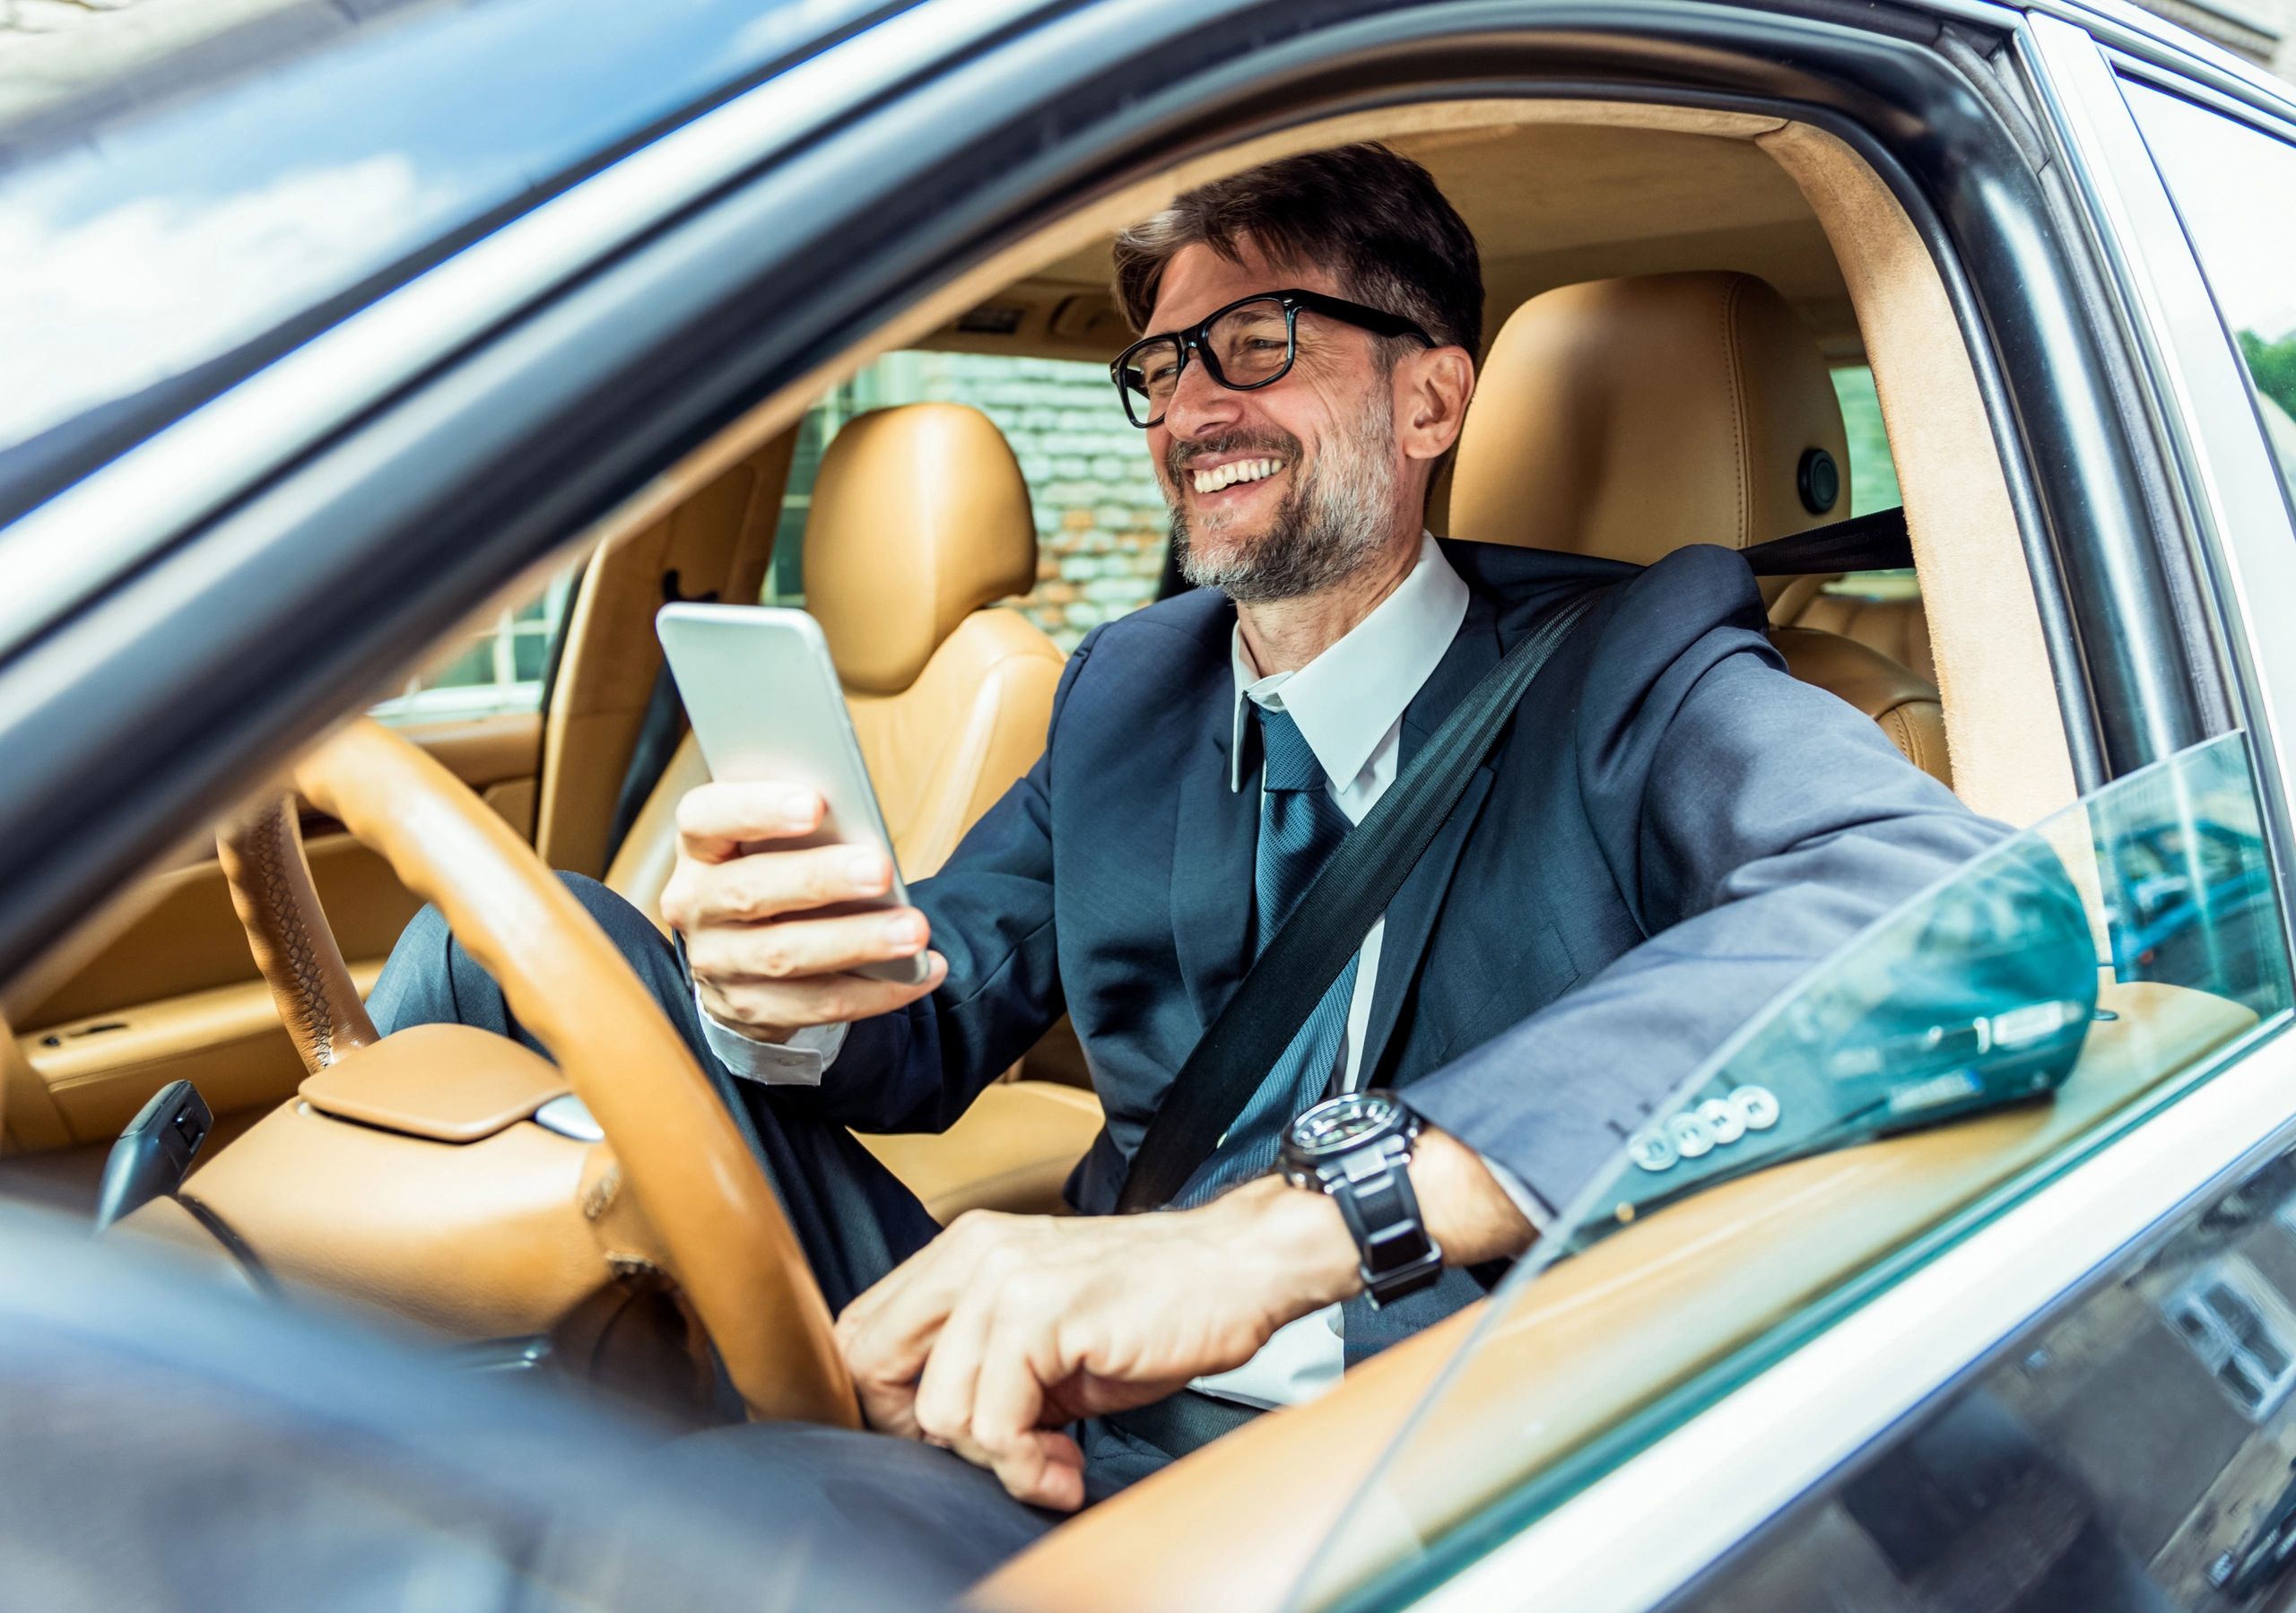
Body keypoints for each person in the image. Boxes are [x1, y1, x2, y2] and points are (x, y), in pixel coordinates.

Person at [369, 143, 2015, 1566]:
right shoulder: (1125, 691)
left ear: (1432, 392)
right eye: (1159, 369)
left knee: (717, 1529)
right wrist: (775, 997)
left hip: (1426, 1452)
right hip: (1076, 1387)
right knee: (530, 940)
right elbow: (930, 1017)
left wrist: (1285, 1231)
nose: (1190, 409)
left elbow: (1950, 909)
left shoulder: (1641, 668)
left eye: (1258, 342)